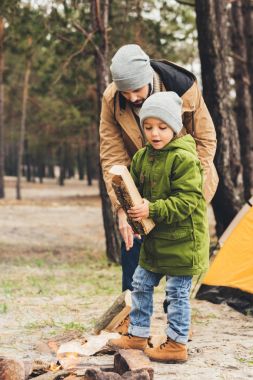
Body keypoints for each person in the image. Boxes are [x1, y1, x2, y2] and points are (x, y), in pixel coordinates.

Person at [100, 43, 217, 292]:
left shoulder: (183, 88)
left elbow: (205, 141)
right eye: (125, 92)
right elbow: (112, 156)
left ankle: (177, 325)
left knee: (179, 260)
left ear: (148, 79)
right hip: (141, 183)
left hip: (184, 181)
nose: (131, 97)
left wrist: (191, 188)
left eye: (136, 90)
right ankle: (131, 322)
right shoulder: (112, 98)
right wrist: (123, 206)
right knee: (134, 249)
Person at [107, 91, 209, 363]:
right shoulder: (141, 158)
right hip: (155, 240)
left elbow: (187, 201)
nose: (155, 133)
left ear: (174, 127)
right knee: (139, 282)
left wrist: (151, 208)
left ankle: (176, 343)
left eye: (162, 127)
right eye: (148, 126)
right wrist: (128, 203)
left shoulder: (185, 159)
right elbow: (136, 194)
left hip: (183, 241)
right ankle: (138, 334)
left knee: (176, 293)